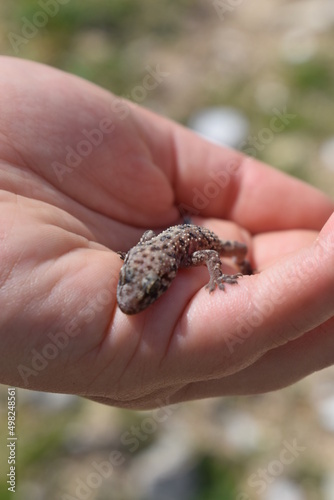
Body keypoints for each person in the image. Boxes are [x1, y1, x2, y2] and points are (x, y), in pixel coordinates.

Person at [0, 56, 333, 409]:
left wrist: (218, 277)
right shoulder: (147, 253)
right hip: (171, 237)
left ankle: (246, 260)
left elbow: (209, 253)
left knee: (232, 247)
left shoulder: (188, 256)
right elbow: (144, 239)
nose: (131, 302)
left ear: (170, 273)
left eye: (145, 291)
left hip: (202, 237)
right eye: (131, 284)